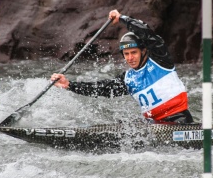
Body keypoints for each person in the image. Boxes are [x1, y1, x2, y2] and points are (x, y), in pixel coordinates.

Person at [50, 9, 193, 124]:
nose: (130, 58)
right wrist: (69, 85)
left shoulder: (161, 60)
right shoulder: (128, 78)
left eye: (133, 53)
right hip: (154, 124)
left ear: (143, 51)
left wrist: (123, 19)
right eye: (126, 54)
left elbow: (146, 33)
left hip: (179, 120)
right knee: (124, 125)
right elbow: (101, 89)